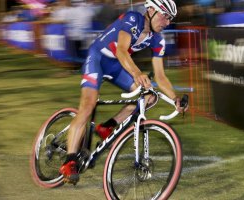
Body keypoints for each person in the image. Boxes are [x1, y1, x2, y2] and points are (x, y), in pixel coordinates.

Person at [59, 0, 188, 184]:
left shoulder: (157, 38)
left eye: (170, 18)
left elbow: (160, 75)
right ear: (150, 10)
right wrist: (136, 73)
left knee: (149, 97)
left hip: (117, 67)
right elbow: (121, 51)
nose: (167, 22)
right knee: (87, 106)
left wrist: (175, 98)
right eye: (164, 15)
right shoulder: (132, 19)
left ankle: (109, 125)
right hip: (98, 58)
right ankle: (69, 161)